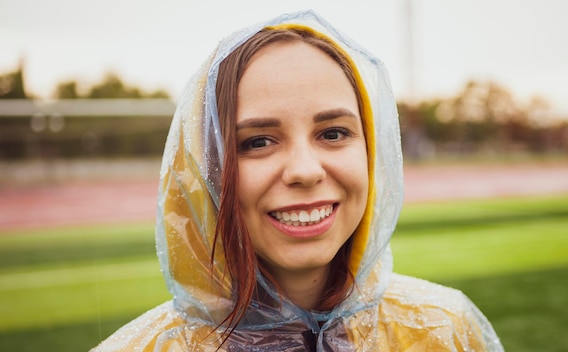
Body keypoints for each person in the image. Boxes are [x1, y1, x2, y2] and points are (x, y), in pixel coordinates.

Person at [93, 10, 504, 351]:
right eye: (257, 141)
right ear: (206, 171)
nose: (305, 171)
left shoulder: (445, 329)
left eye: (332, 133)